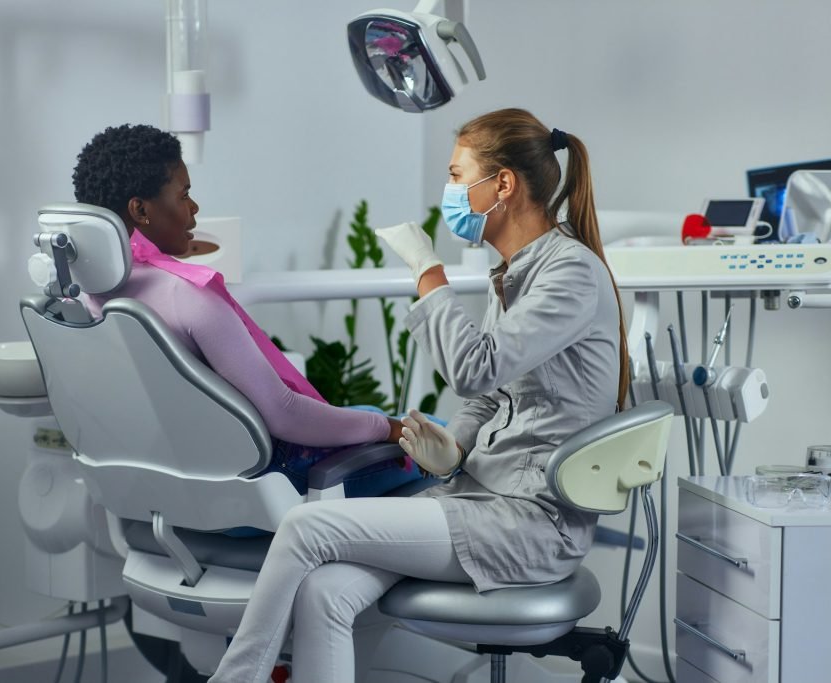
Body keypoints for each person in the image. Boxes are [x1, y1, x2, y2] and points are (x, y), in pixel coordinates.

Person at [208, 107, 630, 683]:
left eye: (458, 177)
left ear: (502, 184)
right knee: (327, 592)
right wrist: (452, 448)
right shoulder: (515, 271)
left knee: (305, 528)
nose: (449, 191)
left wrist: (428, 271)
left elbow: (476, 368)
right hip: (476, 499)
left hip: (531, 524)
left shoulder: (570, 273)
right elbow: (490, 399)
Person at [71, 123, 423, 500]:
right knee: (436, 435)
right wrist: (389, 429)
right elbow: (284, 412)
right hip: (265, 487)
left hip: (174, 491)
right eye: (184, 194)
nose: (194, 207)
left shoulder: (90, 300)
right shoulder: (188, 296)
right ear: (140, 209)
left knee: (373, 415)